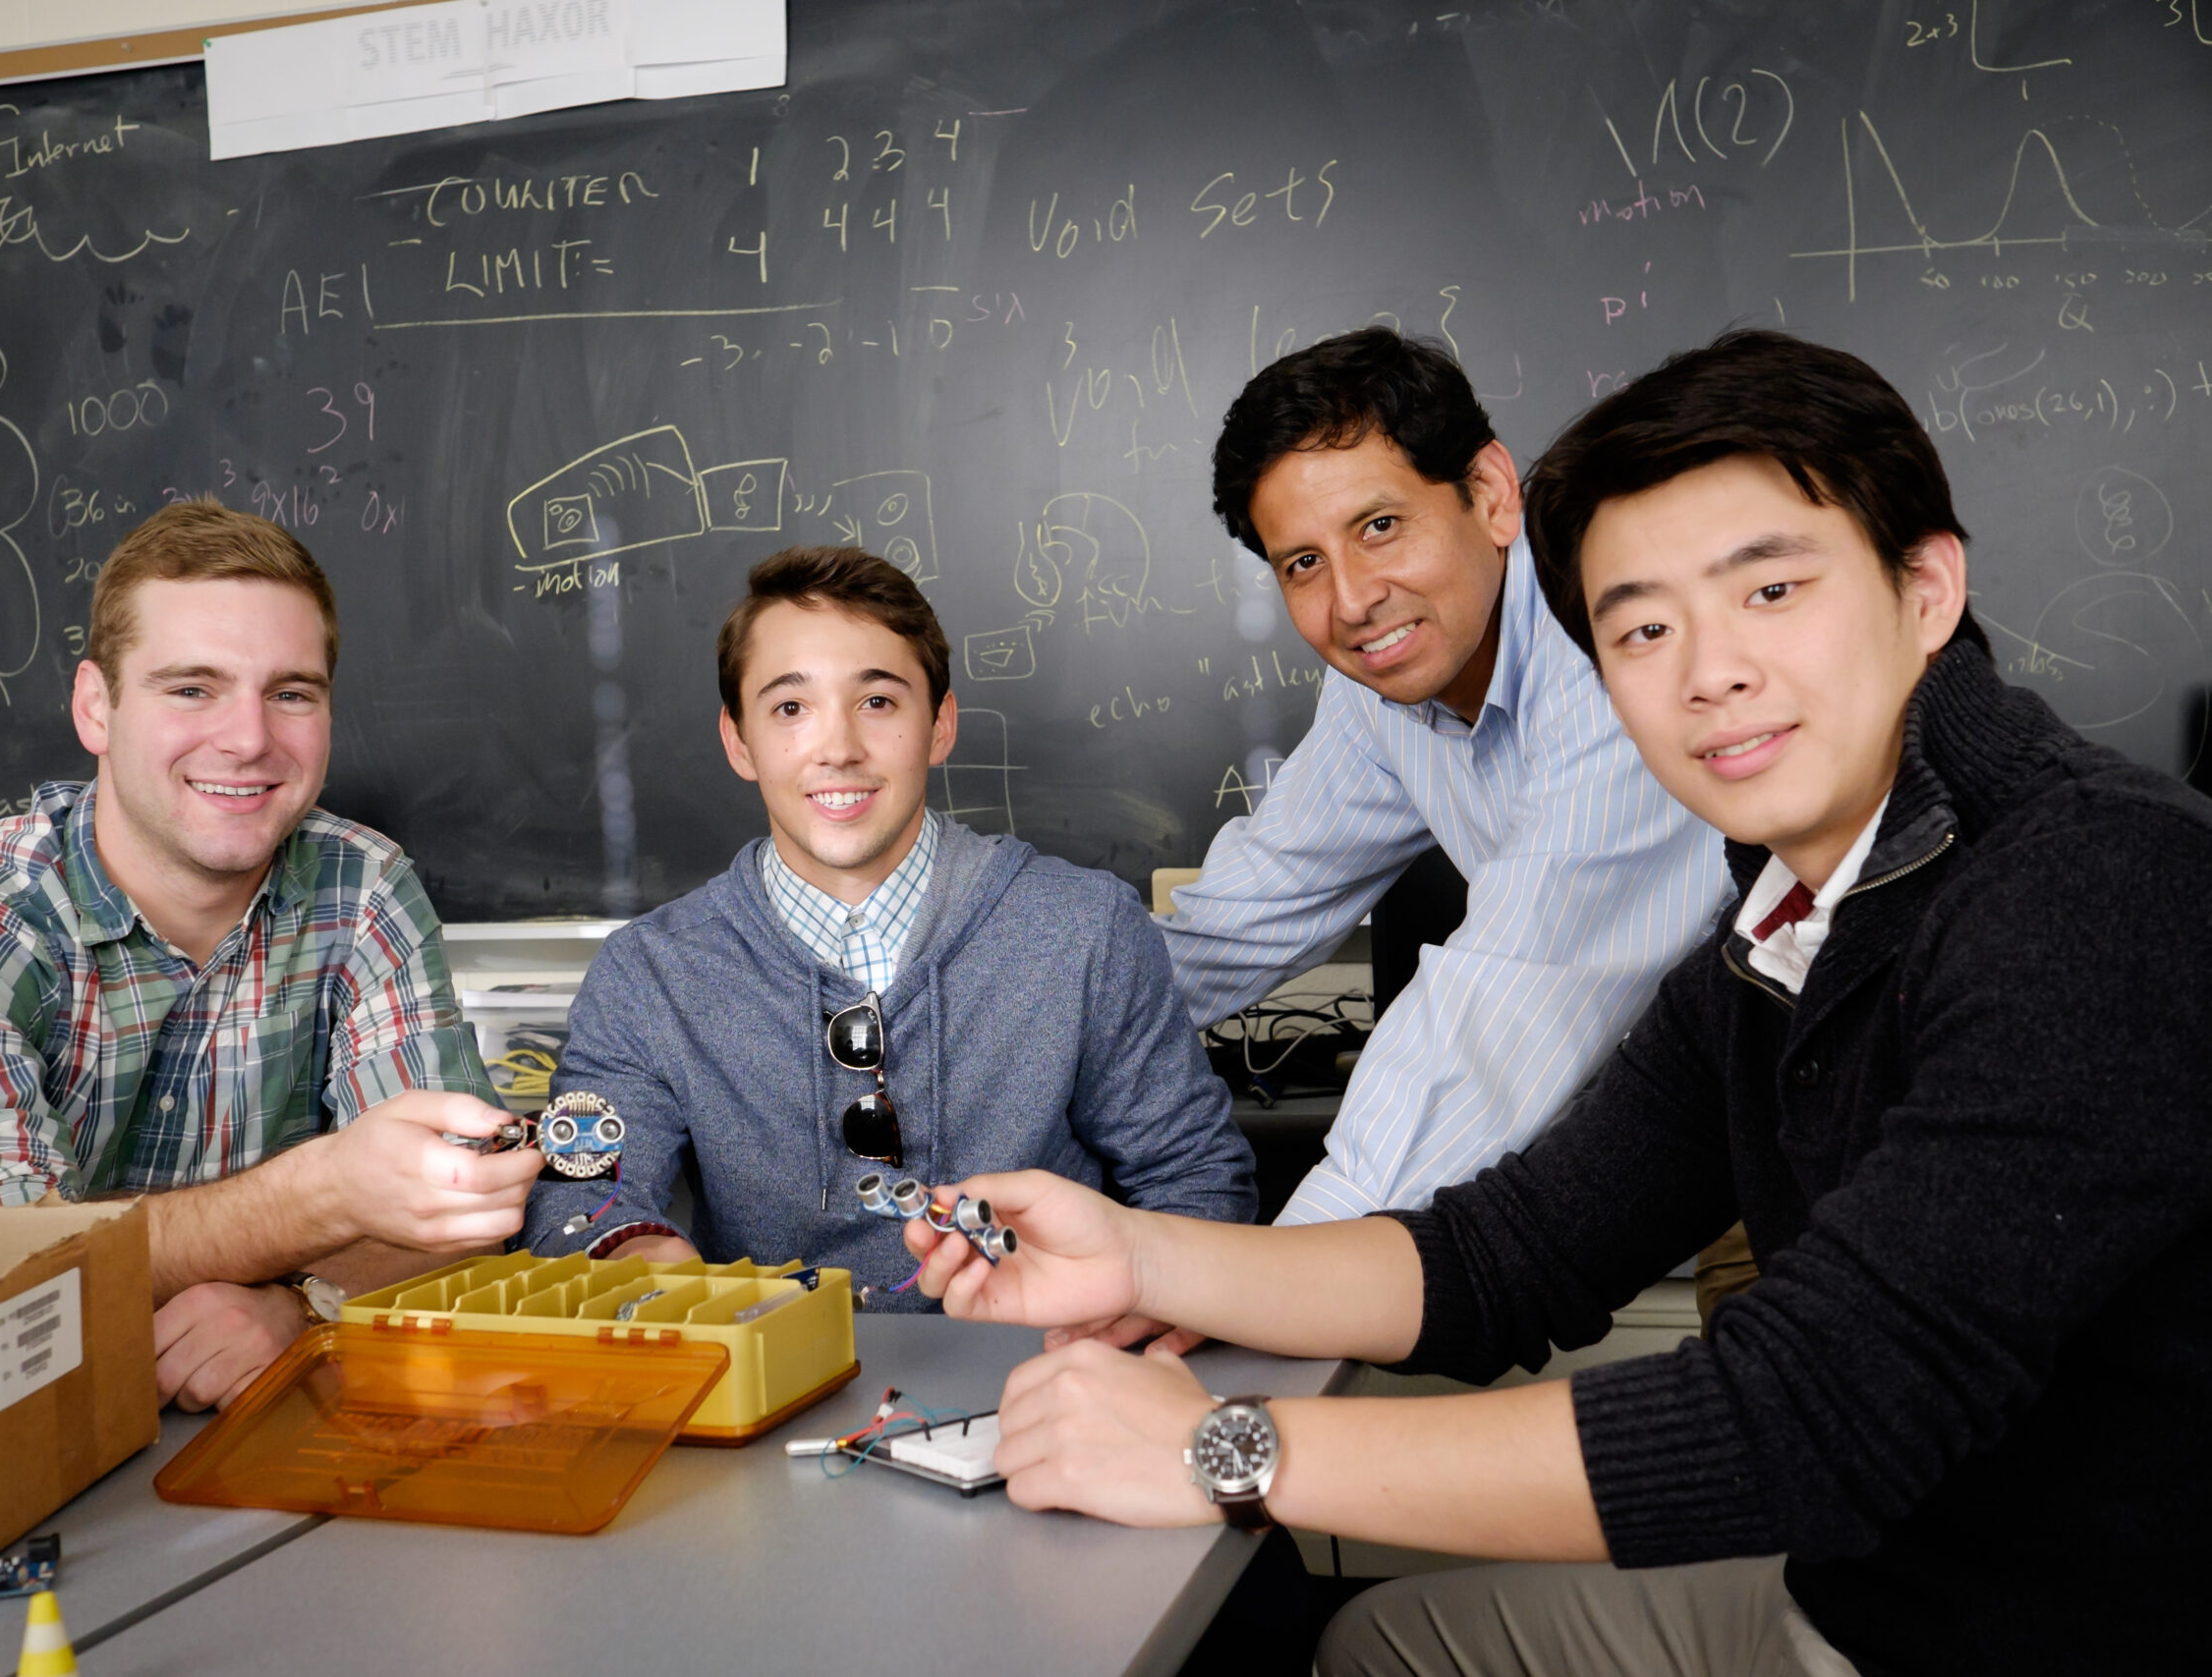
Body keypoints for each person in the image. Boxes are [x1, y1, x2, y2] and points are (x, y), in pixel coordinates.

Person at [902, 331, 2211, 1675]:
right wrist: (1142, 1252)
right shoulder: (1776, 925)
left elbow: (1800, 1419)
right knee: (1375, 1647)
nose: (1708, 671)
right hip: (1874, 1589)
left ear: (1925, 586)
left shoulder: (2101, 886)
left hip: (2046, 1632)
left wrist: (1223, 1446)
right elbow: (1507, 1249)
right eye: (1643, 626)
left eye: (1769, 590)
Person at [0, 501, 536, 1411]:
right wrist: (320, 1196)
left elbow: (464, 1208)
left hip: (270, 1442)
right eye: (191, 688)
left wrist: (302, 1304)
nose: (249, 739)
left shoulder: (363, 886)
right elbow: (2, 1263)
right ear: (97, 707)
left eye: (291, 692)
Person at [524, 546, 1255, 1296]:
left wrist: (1129, 1332)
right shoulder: (648, 974)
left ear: (941, 725)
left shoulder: (1086, 929)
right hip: (765, 1391)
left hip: (1046, 1380)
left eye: (877, 701)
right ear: (738, 740)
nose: (838, 749)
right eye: (790, 708)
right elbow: (578, 1200)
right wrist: (635, 1252)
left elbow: (1195, 1184)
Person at [1162, 327, 1727, 1237]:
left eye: (1380, 526)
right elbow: (1239, 916)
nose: (1351, 601)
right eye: (1303, 563)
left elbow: (1494, 1018)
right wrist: (998, 1014)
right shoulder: (1386, 682)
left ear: (1493, 494)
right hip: (1719, 1109)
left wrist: (1277, 1277)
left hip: (1882, 1092)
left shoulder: (1615, 652)